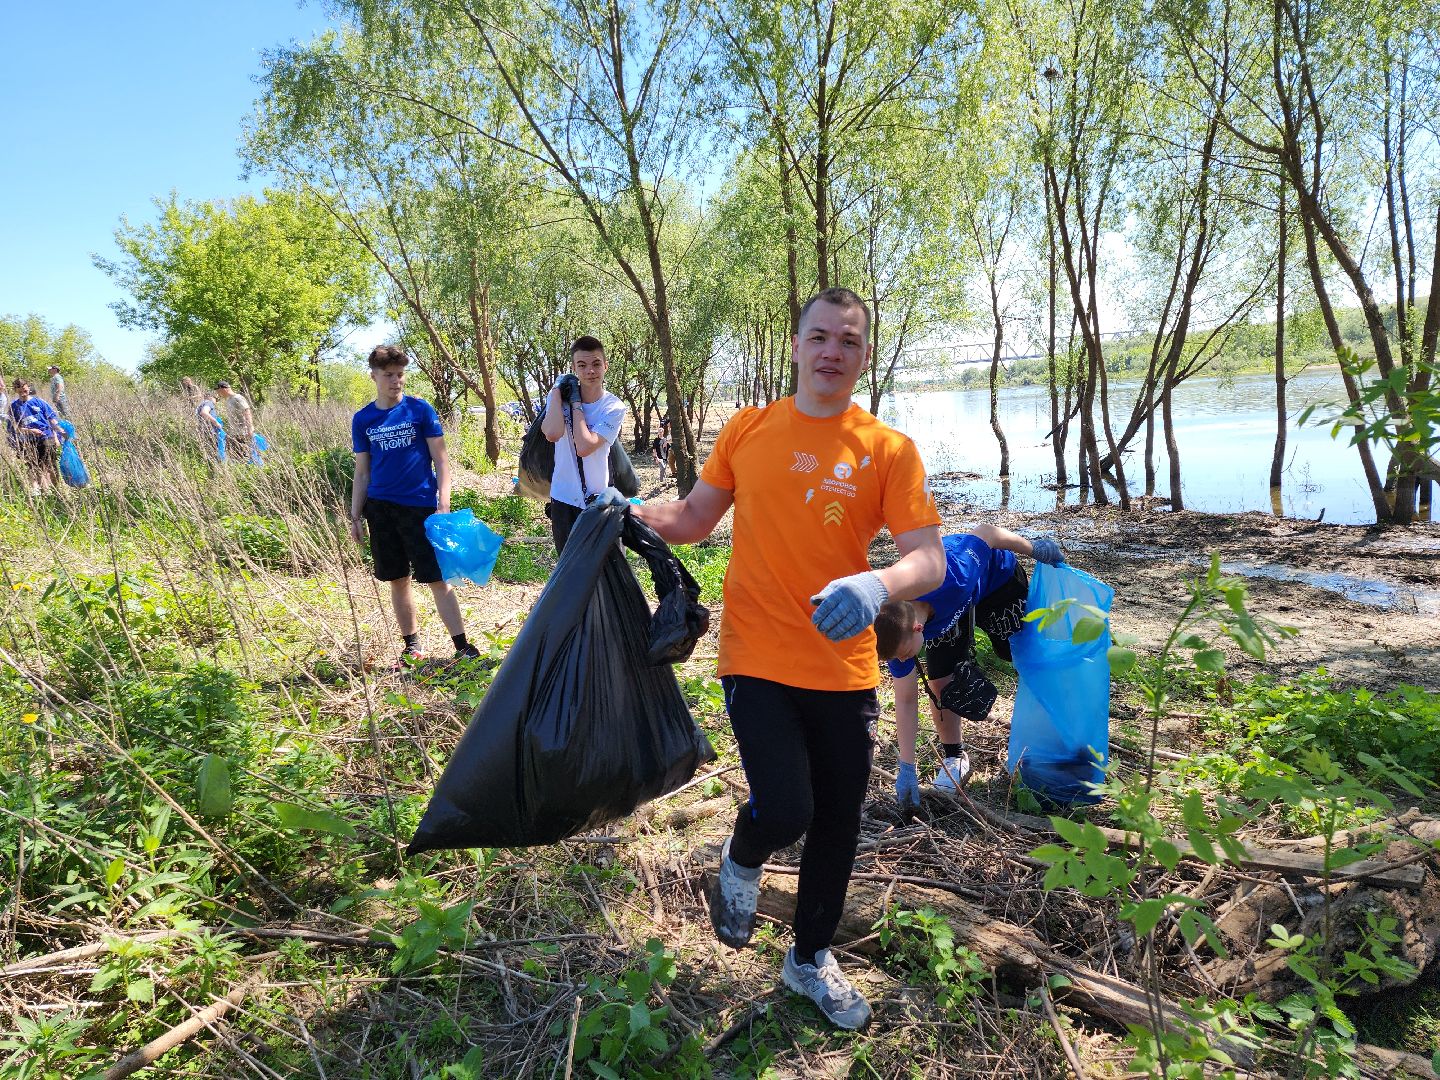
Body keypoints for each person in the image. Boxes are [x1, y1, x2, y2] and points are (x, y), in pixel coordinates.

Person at [632, 287, 945, 1030]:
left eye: (849, 341)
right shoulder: (749, 428)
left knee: (837, 820)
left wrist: (879, 583)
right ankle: (742, 857)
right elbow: (695, 518)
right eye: (820, 337)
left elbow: (927, 560)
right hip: (758, 651)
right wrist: (631, 511)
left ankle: (808, 960)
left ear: (863, 355)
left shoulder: (886, 449)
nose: (833, 351)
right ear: (797, 343)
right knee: (787, 806)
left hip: (842, 665)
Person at [872, 524, 1064, 817]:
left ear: (918, 628)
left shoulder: (954, 577)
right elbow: (907, 698)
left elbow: (986, 533)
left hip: (995, 581)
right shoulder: (895, 629)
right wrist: (907, 767)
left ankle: (1046, 742)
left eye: (907, 654)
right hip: (948, 611)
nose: (905, 659)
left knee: (1024, 658)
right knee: (940, 679)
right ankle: (954, 758)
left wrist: (1033, 548)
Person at [349, 345, 480, 665]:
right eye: (388, 375)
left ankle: (462, 646)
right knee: (397, 579)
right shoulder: (363, 419)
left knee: (438, 579)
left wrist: (443, 504)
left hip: (421, 507)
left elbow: (442, 461)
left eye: (400, 375)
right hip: (380, 509)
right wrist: (354, 515)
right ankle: (412, 646)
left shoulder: (420, 410)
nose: (396, 381)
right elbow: (362, 471)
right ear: (374, 376)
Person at [539, 335, 625, 552]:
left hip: (597, 501)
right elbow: (552, 433)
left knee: (601, 573)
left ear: (605, 366)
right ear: (574, 368)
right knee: (569, 573)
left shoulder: (613, 407)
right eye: (582, 365)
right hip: (563, 499)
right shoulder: (558, 398)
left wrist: (576, 404)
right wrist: (557, 392)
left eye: (596, 364)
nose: (590, 371)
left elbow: (585, 447)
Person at [7, 379, 64, 491]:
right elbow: (14, 428)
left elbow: (52, 419)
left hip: (46, 436)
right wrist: (30, 431)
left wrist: (60, 432)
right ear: (15, 390)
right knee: (34, 466)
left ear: (28, 387)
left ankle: (57, 490)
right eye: (19, 388)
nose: (23, 390)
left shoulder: (40, 402)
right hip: (28, 441)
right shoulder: (13, 407)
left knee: (51, 464)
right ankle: (41, 491)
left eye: (24, 388)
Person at [215, 381, 254, 462]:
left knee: (243, 455)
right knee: (235, 455)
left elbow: (247, 411)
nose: (218, 394)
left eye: (218, 391)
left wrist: (250, 428)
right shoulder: (228, 400)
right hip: (234, 432)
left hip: (242, 432)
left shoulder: (238, 398)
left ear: (223, 389)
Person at [196, 391, 226, 462]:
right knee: (214, 450)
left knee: (209, 451)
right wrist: (216, 423)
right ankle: (217, 466)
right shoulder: (209, 403)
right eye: (216, 399)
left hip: (203, 430)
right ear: (211, 397)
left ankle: (211, 464)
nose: (216, 402)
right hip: (210, 430)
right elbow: (204, 412)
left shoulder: (201, 404)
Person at [651, 419, 671, 486]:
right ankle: (662, 481)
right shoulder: (656, 440)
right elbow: (654, 450)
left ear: (663, 432)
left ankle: (664, 482)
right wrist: (656, 458)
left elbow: (669, 449)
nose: (660, 433)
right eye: (659, 432)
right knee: (662, 468)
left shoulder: (665, 440)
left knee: (664, 469)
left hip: (665, 457)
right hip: (659, 457)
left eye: (661, 432)